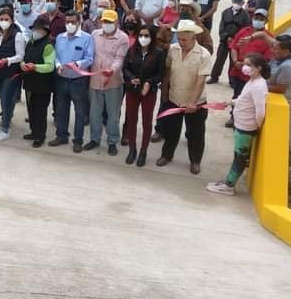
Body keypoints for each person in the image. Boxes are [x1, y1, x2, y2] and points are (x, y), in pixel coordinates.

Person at [206, 53, 270, 196]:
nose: (244, 67)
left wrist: (257, 125)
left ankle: (229, 186)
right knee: (238, 156)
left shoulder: (259, 86)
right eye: (244, 64)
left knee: (240, 158)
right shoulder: (252, 81)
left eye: (249, 65)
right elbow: (244, 99)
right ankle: (228, 182)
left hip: (247, 128)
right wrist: (230, 102)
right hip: (242, 125)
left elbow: (260, 110)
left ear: (258, 68)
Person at [156, 19, 212, 175]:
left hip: (196, 103)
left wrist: (193, 103)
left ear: (194, 38)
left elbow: (201, 81)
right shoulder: (173, 50)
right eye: (179, 39)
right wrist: (165, 94)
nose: (181, 42)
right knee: (171, 131)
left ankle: (195, 161)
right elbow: (167, 72)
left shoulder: (203, 55)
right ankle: (166, 155)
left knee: (196, 133)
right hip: (174, 99)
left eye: (185, 40)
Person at [49, 11, 95, 153]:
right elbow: (56, 56)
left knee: (80, 112)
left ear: (79, 21)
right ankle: (61, 135)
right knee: (61, 110)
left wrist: (76, 64)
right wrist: (58, 66)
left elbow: (89, 58)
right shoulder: (60, 38)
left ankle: (78, 140)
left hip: (78, 81)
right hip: (62, 80)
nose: (70, 25)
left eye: (73, 22)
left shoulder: (86, 38)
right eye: (67, 22)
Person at [86, 10, 129, 155]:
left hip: (113, 82)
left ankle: (112, 141)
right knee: (94, 113)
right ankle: (94, 139)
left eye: (110, 22)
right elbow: (89, 54)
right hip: (95, 82)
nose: (107, 24)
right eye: (105, 21)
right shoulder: (94, 35)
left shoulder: (123, 38)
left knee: (113, 115)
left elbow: (120, 58)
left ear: (117, 23)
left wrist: (112, 70)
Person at [123, 25, 166, 166]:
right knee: (131, 120)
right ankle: (132, 149)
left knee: (146, 122)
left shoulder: (159, 53)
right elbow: (125, 68)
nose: (143, 38)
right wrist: (130, 78)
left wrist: (149, 82)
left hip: (149, 92)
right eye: (141, 35)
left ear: (152, 38)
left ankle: (143, 151)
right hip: (132, 90)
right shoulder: (132, 50)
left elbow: (160, 74)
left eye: (146, 36)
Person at [226, 8, 274, 127]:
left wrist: (251, 66)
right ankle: (233, 117)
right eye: (256, 18)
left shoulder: (268, 37)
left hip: (253, 75)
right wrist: (236, 61)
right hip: (239, 71)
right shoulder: (243, 31)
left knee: (250, 99)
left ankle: (246, 119)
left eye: (261, 19)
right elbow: (233, 47)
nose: (258, 20)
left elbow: (267, 58)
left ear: (266, 21)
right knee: (237, 94)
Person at [0, 9, 24, 141]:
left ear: (12, 20)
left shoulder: (17, 35)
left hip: (10, 72)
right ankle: (3, 125)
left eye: (6, 19)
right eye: (1, 19)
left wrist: (7, 60)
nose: (3, 22)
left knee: (6, 100)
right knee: (2, 99)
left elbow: (20, 56)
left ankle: (5, 129)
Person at [20, 18, 56, 148]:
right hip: (30, 82)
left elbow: (50, 66)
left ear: (45, 31)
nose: (35, 32)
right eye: (34, 29)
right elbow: (24, 58)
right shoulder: (30, 42)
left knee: (40, 111)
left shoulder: (48, 45)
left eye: (38, 29)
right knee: (31, 109)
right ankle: (33, 131)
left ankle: (40, 136)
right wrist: (23, 65)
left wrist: (35, 67)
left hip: (43, 84)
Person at [208, 0, 250, 84]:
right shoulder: (225, 12)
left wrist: (235, 40)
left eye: (239, 2)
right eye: (235, 1)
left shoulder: (245, 16)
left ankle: (232, 80)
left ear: (243, 3)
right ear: (232, 0)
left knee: (233, 62)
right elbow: (221, 27)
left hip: (236, 44)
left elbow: (245, 30)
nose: (237, 3)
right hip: (224, 41)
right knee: (219, 59)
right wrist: (226, 37)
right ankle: (214, 77)